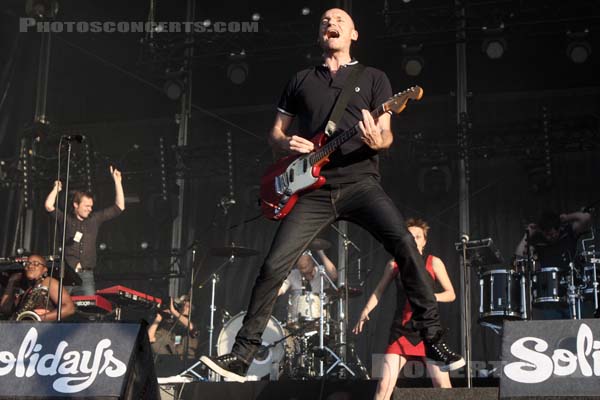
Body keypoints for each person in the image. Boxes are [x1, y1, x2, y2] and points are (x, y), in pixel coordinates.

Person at [199, 8, 463, 382]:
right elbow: (275, 132)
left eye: (339, 20)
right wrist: (284, 142)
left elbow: (386, 134)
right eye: (324, 20)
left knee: (405, 244)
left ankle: (433, 338)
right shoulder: (301, 79)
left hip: (360, 183)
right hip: (312, 191)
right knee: (274, 265)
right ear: (319, 34)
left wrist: (378, 139)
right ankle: (242, 355)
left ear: (354, 33)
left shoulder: (374, 79)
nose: (330, 24)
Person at [353, 219, 456, 399]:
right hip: (402, 330)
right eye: (410, 237)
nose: (414, 240)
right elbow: (378, 291)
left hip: (429, 331)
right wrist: (365, 310)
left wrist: (431, 298)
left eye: (418, 236)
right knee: (384, 386)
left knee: (442, 386)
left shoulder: (434, 262)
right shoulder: (394, 264)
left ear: (424, 241)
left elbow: (451, 294)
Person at [44, 166, 125, 296]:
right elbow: (49, 206)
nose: (89, 209)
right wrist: (56, 190)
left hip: (86, 276)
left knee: (90, 310)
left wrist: (117, 182)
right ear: (76, 205)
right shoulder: (66, 219)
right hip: (67, 276)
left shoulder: (95, 219)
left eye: (91, 206)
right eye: (86, 206)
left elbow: (119, 207)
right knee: (61, 309)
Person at [515, 209, 592, 319]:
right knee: (555, 332)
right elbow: (519, 255)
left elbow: (586, 218)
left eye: (552, 234)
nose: (549, 237)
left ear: (558, 228)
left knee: (579, 329)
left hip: (573, 290)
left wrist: (567, 217)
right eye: (546, 234)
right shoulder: (538, 241)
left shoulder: (568, 232)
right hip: (550, 294)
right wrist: (527, 235)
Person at [0, 254, 75, 321]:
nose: (30, 266)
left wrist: (37, 318)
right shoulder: (27, 291)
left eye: (36, 264)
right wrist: (11, 283)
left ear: (44, 270)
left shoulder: (48, 281)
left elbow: (69, 308)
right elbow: (5, 309)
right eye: (27, 264)